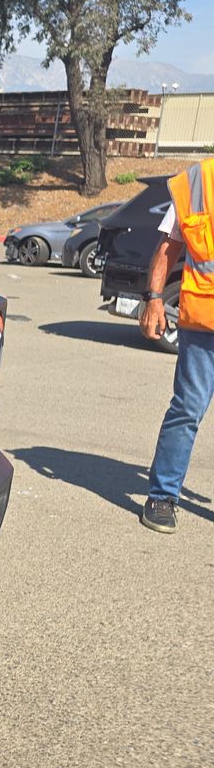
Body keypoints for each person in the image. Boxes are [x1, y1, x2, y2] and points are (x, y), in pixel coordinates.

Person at [139, 157, 214, 533]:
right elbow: (169, 247)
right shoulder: (199, 182)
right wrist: (154, 298)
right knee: (188, 409)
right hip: (204, 323)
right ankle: (162, 496)